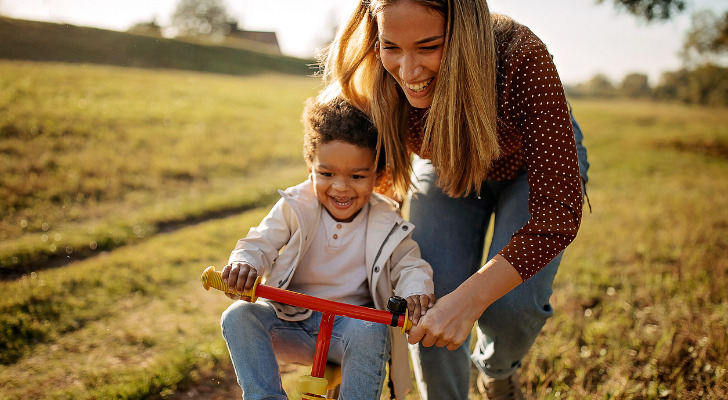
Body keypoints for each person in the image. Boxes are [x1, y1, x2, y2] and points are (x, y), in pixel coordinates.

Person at [318, 0, 590, 399]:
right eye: (392, 47)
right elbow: (366, 185)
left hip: (529, 168)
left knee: (510, 307)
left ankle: (498, 372)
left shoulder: (520, 56)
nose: (408, 73)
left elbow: (558, 214)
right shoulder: (373, 76)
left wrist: (470, 300)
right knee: (425, 299)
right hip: (446, 166)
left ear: (465, 34)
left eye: (429, 47)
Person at [219, 96, 435, 400]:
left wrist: (416, 291)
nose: (341, 187)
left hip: (349, 331)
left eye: (357, 176)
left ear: (378, 175)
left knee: (372, 329)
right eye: (327, 174)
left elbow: (410, 265)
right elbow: (260, 241)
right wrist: (246, 263)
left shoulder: (386, 222)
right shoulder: (296, 207)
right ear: (311, 168)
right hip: (289, 319)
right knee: (238, 316)